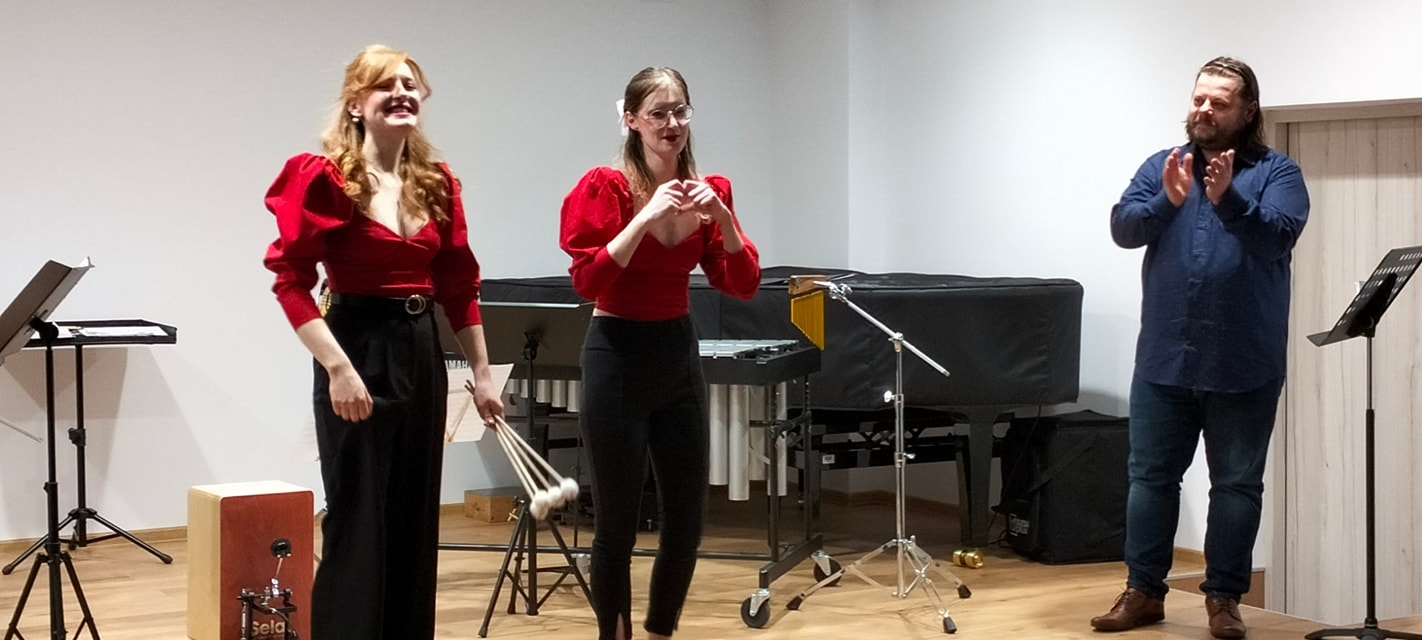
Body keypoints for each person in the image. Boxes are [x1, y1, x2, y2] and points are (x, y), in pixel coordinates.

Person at [263, 44, 503, 640]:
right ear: (356, 104)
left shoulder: (437, 184)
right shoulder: (325, 179)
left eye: (409, 84)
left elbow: (459, 285)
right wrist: (338, 369)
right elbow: (290, 283)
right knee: (357, 519)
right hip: (356, 346)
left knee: (414, 516)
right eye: (385, 85)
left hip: (420, 350)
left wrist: (482, 373)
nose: (401, 93)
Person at [1092, 57, 1309, 639]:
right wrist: (1167, 200)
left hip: (1245, 361)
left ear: (1248, 110)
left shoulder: (1279, 173)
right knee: (1150, 480)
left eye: (1219, 102)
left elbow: (1278, 236)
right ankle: (1143, 592)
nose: (1204, 109)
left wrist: (1228, 198)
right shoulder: (1162, 166)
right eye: (1198, 99)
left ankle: (1224, 600)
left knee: (1236, 485)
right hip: (1165, 358)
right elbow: (1124, 229)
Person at [559, 67, 761, 640]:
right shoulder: (607, 187)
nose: (671, 124)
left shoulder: (710, 190)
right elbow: (588, 280)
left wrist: (722, 219)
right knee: (616, 526)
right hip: (616, 353)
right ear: (631, 120)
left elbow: (742, 283)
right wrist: (645, 217)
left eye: (680, 112)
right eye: (657, 113)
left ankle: (659, 633)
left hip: (676, 352)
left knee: (687, 524)